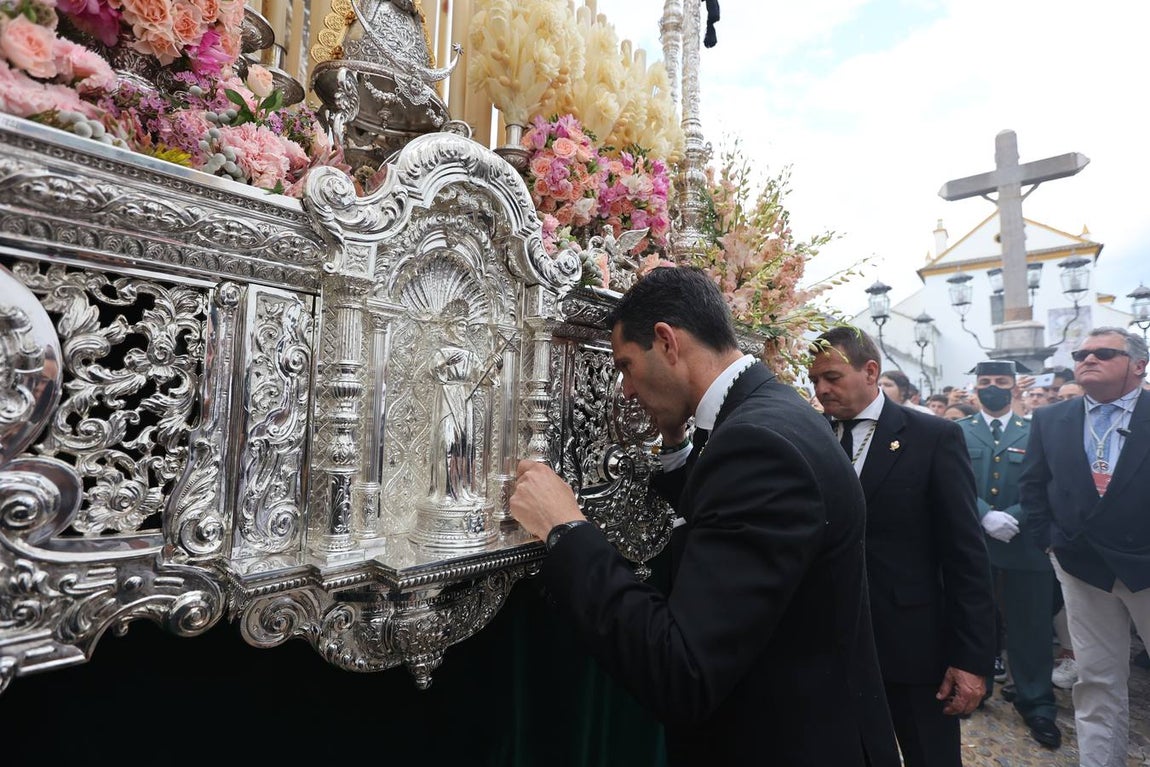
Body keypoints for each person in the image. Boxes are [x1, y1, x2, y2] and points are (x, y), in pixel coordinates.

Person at [509, 267, 900, 766]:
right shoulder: (775, 409)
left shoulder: (755, 445)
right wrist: (676, 448)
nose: (624, 390)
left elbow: (681, 671)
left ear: (667, 342)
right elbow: (734, 522)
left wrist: (565, 528)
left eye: (626, 365)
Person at [808, 327, 995, 767]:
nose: (821, 389)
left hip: (911, 646)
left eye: (832, 377)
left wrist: (970, 659)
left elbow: (965, 555)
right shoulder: (811, 434)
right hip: (829, 644)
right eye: (814, 379)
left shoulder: (933, 437)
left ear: (870, 371)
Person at [1020, 327, 1150, 767]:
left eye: (1104, 353)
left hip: (1146, 565)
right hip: (1081, 567)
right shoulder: (1050, 419)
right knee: (1096, 680)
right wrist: (1050, 544)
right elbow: (1033, 485)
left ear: (1138, 365)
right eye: (1081, 354)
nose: (1088, 359)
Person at [958, 360, 1062, 749]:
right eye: (985, 381)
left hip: (1025, 541)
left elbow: (1050, 483)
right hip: (973, 540)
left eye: (1001, 381)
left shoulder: (1037, 429)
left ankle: (1037, 702)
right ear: (975, 387)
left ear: (1015, 387)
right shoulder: (957, 430)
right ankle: (975, 686)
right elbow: (950, 479)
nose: (993, 387)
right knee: (974, 620)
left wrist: (1014, 516)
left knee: (1031, 625)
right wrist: (984, 514)